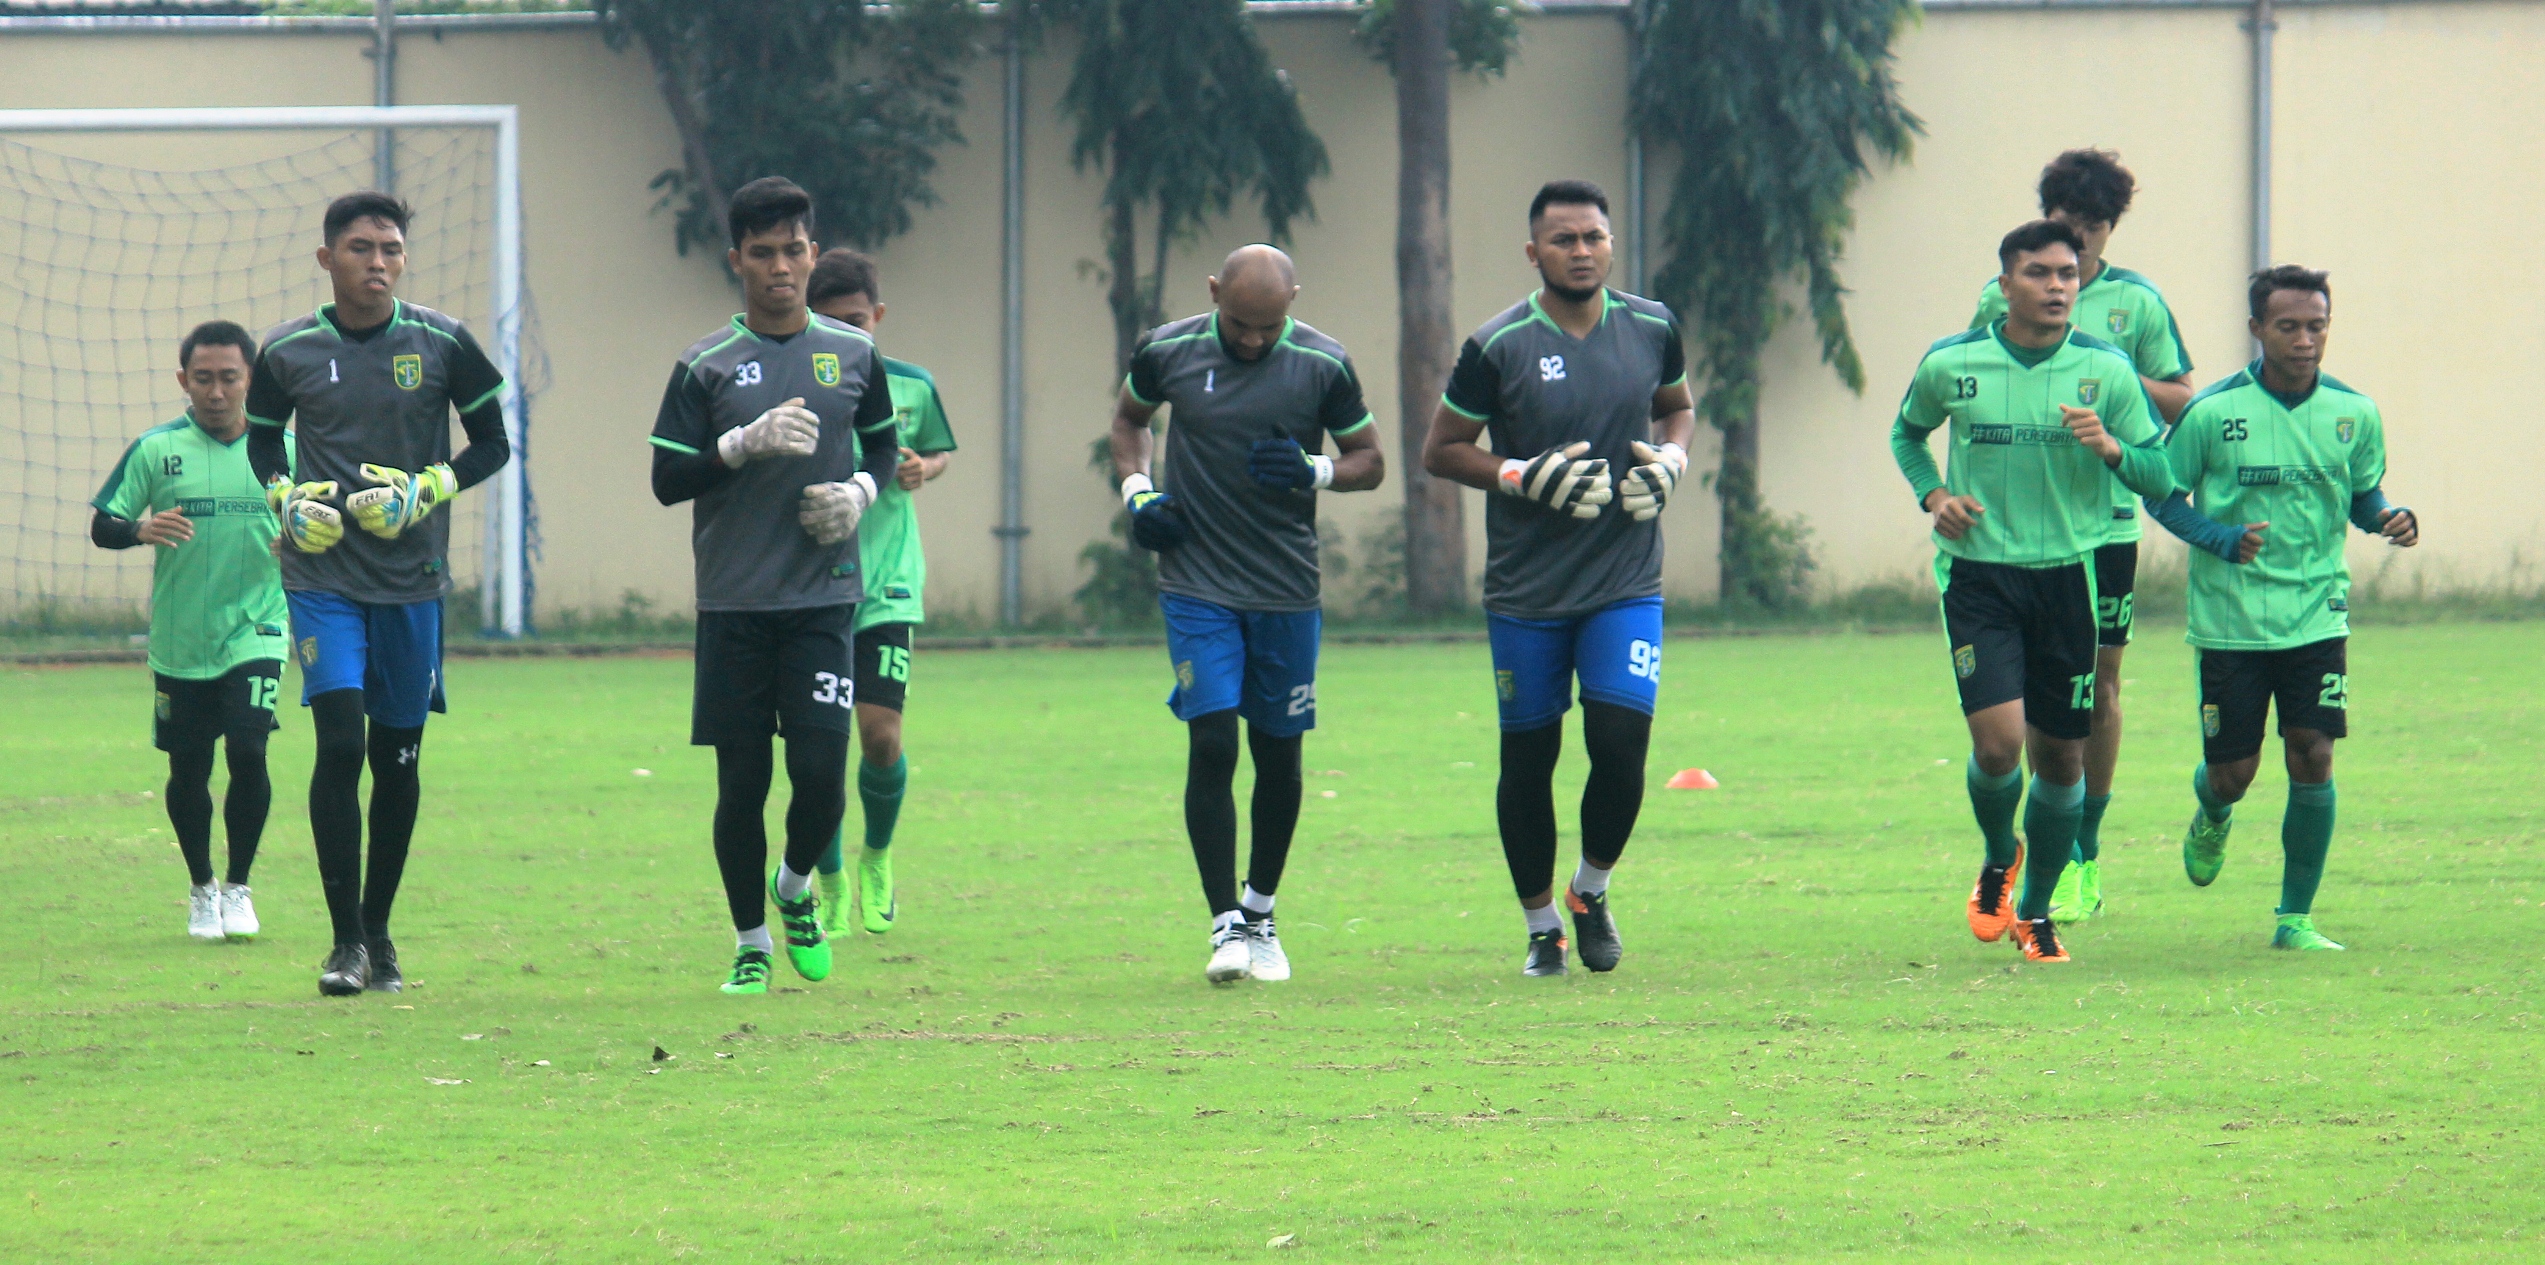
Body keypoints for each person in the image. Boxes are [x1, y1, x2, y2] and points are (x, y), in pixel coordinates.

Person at [1419, 179, 1695, 978]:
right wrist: (1518, 474)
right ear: (1533, 252)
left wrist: (1672, 457)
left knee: (1619, 742)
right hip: (1526, 592)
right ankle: (1541, 925)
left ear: (1612, 244)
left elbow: (1676, 408)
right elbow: (1441, 448)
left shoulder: (1650, 326)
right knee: (1529, 758)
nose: (1581, 251)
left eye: (1593, 237)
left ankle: (1590, 890)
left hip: (1623, 580)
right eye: (1563, 239)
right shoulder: (1497, 343)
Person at [246, 192, 511, 997]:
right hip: (323, 578)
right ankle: (344, 944)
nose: (379, 262)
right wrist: (285, 498)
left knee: (398, 761)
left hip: (412, 581)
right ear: (328, 259)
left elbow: (493, 442)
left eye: (391, 249)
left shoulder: (442, 342)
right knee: (339, 745)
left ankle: (381, 929)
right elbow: (262, 441)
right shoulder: (287, 349)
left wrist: (430, 486)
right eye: (361, 248)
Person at [1890, 218, 2173, 964]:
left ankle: (2038, 909)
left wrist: (2111, 447)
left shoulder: (2105, 371)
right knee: (1998, 745)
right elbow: (1906, 436)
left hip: (2067, 579)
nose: (2057, 286)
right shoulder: (1953, 363)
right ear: (2004, 283)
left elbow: (2161, 471)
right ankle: (1996, 854)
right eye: (2040, 273)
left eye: (2068, 274)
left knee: (2060, 762)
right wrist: (1934, 495)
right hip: (1978, 575)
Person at [649, 178, 901, 995]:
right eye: (763, 254)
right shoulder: (703, 364)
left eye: (794, 250)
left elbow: (885, 450)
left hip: (823, 598)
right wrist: (738, 444)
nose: (780, 267)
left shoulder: (856, 354)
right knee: (742, 784)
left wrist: (860, 493)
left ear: (813, 254)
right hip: (733, 603)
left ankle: (793, 887)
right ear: (737, 262)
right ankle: (751, 941)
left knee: (823, 775)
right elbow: (663, 478)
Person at [1108, 243, 1384, 983]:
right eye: (1239, 325)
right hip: (1196, 580)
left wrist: (1314, 468)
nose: (1254, 340)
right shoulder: (1166, 350)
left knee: (1278, 753)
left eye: (1269, 326)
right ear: (1212, 294)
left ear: (1293, 300)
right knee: (1212, 743)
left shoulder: (1324, 363)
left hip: (1286, 587)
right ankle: (1224, 922)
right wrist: (1138, 492)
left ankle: (1262, 914)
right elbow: (1128, 423)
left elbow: (1370, 459)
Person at [2143, 265, 2415, 952]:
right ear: (2256, 329)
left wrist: (2388, 517)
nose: (2303, 339)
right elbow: (2160, 493)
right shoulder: (2211, 413)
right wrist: (2219, 537)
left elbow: (2361, 494)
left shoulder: (2354, 413)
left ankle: (2293, 918)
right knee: (2235, 773)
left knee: (2313, 753)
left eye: (2315, 325)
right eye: (2287, 326)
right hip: (2230, 620)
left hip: (2316, 615)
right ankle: (2211, 807)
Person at [1970, 149, 2196, 924]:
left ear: (2111, 227)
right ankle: (2022, 839)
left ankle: (2080, 853)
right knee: (2014, 708)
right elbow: (1970, 378)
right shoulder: (1996, 296)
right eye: (2068, 228)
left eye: (2094, 230)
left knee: (2096, 686)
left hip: (2102, 526)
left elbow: (2178, 397)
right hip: (2011, 534)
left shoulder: (2135, 304)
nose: (2079, 248)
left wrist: (2111, 382)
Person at [92, 321, 289, 943]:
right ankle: (202, 886)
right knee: (189, 767)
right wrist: (138, 531)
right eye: (202, 378)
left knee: (250, 748)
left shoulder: (281, 450)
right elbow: (104, 524)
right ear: (184, 380)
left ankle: (239, 886)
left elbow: (323, 517)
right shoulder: (157, 449)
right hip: (182, 637)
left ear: (250, 381)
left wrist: (308, 539)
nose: (216, 391)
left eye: (229, 377)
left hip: (258, 625)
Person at [804, 248, 957, 938]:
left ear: (879, 316)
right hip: (810, 585)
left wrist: (927, 465)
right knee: (819, 746)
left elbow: (936, 450)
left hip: (888, 580)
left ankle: (878, 855)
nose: (851, 335)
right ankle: (829, 875)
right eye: (834, 322)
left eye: (859, 321)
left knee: (880, 735)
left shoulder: (912, 386)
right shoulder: (799, 382)